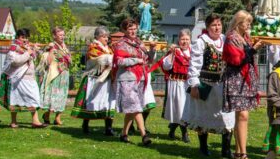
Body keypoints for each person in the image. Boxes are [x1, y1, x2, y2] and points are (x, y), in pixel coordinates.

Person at [182, 14, 235, 157]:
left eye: (219, 24)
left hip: (223, 85)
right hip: (206, 85)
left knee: (227, 115)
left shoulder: (226, 40)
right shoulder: (201, 42)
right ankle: (203, 147)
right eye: (213, 25)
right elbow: (194, 65)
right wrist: (194, 85)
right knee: (203, 115)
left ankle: (226, 149)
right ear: (207, 27)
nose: (217, 28)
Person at [222, 10, 264, 159]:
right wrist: (253, 49)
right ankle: (243, 153)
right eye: (247, 22)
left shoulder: (245, 37)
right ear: (239, 22)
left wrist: (253, 46)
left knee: (243, 116)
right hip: (236, 79)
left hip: (245, 79)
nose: (249, 25)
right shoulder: (232, 37)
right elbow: (236, 60)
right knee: (243, 115)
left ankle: (239, 151)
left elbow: (246, 56)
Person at [113, 18, 154, 146]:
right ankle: (144, 135)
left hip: (139, 78)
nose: (133, 31)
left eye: (134, 28)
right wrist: (136, 60)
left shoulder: (139, 43)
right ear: (124, 30)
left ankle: (123, 133)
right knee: (136, 107)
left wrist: (152, 50)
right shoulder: (120, 44)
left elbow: (148, 60)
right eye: (130, 28)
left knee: (133, 108)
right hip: (126, 78)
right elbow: (119, 61)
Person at [0, 28, 48, 129]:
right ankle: (14, 122)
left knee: (34, 98)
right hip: (17, 77)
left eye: (26, 37)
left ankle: (35, 121)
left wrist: (35, 51)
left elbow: (32, 59)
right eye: (22, 37)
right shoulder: (14, 47)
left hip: (29, 77)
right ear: (18, 37)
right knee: (15, 99)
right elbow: (15, 61)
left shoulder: (26, 47)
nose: (25, 39)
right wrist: (28, 52)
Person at [72, 26, 116, 136]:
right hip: (94, 79)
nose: (106, 39)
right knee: (91, 101)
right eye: (103, 36)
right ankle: (85, 125)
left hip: (107, 79)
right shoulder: (93, 47)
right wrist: (113, 58)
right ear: (97, 36)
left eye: (107, 36)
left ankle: (108, 128)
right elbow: (99, 60)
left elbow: (111, 59)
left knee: (108, 102)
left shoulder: (109, 48)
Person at [37, 27, 72, 126]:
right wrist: (51, 50)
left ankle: (58, 117)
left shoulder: (64, 47)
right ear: (54, 36)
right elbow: (48, 61)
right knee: (53, 95)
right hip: (55, 74)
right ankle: (47, 115)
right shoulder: (51, 47)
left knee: (62, 95)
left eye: (63, 35)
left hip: (64, 74)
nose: (62, 37)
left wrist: (65, 49)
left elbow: (69, 60)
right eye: (60, 35)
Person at [161, 29, 191, 143]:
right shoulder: (174, 51)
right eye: (182, 39)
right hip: (176, 83)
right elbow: (166, 66)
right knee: (180, 108)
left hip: (188, 84)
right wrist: (172, 54)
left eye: (187, 39)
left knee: (186, 108)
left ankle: (172, 128)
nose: (185, 42)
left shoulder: (193, 51)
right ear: (179, 40)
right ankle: (184, 133)